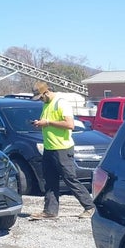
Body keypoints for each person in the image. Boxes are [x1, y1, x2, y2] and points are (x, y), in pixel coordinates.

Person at [27, 82, 96, 220]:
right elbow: (48, 123)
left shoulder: (61, 103)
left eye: (40, 97)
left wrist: (47, 123)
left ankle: (90, 206)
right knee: (50, 180)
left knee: (70, 178)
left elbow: (70, 124)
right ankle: (50, 211)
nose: (40, 100)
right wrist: (40, 124)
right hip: (49, 147)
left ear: (46, 92)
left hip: (62, 148)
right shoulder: (46, 105)